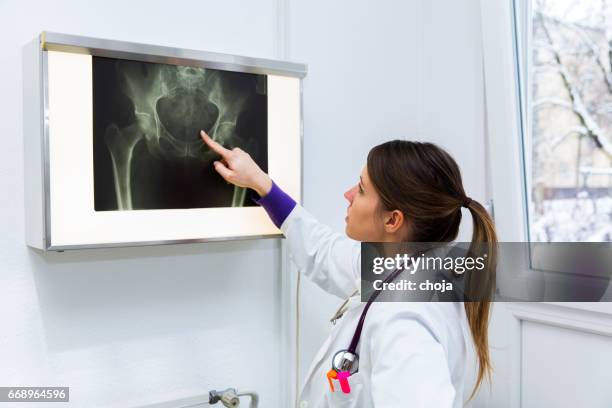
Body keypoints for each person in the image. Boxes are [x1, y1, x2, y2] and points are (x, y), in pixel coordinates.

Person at [200, 130, 497, 408]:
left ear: (393, 221)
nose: (348, 194)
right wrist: (262, 185)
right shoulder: (405, 267)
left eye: (362, 190)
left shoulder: (406, 321)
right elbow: (324, 251)